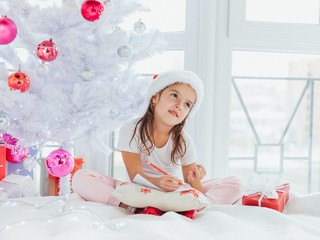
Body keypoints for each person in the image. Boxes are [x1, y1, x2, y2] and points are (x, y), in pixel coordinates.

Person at [72, 70, 244, 219]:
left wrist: (196, 180)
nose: (179, 105)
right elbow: (134, 174)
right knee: (81, 177)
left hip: (172, 193)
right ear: (155, 98)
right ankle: (142, 206)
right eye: (175, 95)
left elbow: (196, 190)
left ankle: (154, 206)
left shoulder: (185, 141)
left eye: (187, 104)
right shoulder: (131, 129)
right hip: (137, 191)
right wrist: (158, 182)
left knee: (236, 182)